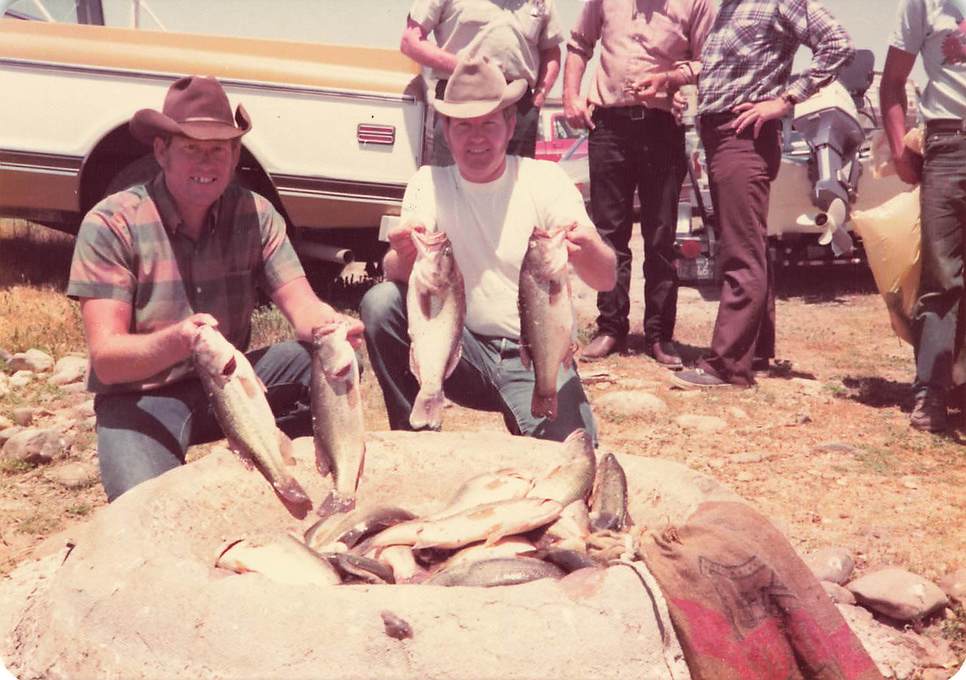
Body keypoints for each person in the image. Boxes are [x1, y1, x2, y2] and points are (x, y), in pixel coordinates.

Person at [67, 76, 363, 501]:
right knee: (144, 506)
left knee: (332, 362)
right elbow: (108, 360)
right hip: (141, 395)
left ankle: (274, 463)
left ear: (235, 154)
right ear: (161, 151)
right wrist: (180, 340)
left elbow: (302, 306)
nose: (206, 163)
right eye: (191, 148)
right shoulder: (112, 223)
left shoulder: (256, 214)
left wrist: (331, 327)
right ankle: (231, 461)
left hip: (232, 384)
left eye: (218, 149)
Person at [360, 56, 617, 443]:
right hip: (460, 350)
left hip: (533, 352)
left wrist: (590, 247)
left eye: (489, 124)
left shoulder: (546, 179)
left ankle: (537, 410)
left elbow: (606, 278)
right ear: (446, 130)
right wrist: (402, 252)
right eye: (463, 125)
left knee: (574, 454)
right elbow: (396, 274)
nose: (476, 138)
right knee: (381, 303)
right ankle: (416, 432)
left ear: (511, 126)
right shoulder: (428, 182)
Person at [672, 0, 853, 389]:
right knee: (747, 244)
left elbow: (837, 42)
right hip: (722, 136)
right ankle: (754, 352)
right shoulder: (728, 9)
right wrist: (681, 80)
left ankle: (727, 367)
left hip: (743, 138)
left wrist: (784, 101)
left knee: (741, 252)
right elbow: (733, 67)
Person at [562, 0, 716, 368]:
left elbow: (711, 60)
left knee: (661, 235)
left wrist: (670, 79)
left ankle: (660, 335)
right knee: (608, 234)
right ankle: (610, 327)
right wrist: (570, 96)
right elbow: (579, 44)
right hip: (608, 127)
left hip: (662, 128)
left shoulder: (696, 4)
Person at [880, 0, 966, 431]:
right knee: (942, 274)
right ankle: (931, 391)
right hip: (949, 144)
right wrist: (900, 150)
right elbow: (892, 81)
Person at [400, 0, 564, 164]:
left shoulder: (541, 2)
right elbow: (410, 41)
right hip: (459, 99)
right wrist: (468, 69)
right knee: (450, 175)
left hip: (518, 105)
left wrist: (539, 98)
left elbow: (552, 52)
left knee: (517, 177)